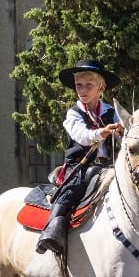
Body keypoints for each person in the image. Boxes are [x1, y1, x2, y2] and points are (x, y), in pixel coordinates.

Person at [36, 59, 125, 256]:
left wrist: (122, 130)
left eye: (88, 85)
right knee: (71, 189)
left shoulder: (111, 112)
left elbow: (124, 134)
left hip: (109, 166)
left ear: (101, 87)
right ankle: (52, 231)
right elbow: (82, 136)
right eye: (79, 85)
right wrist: (102, 132)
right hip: (80, 166)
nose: (82, 90)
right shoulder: (73, 114)